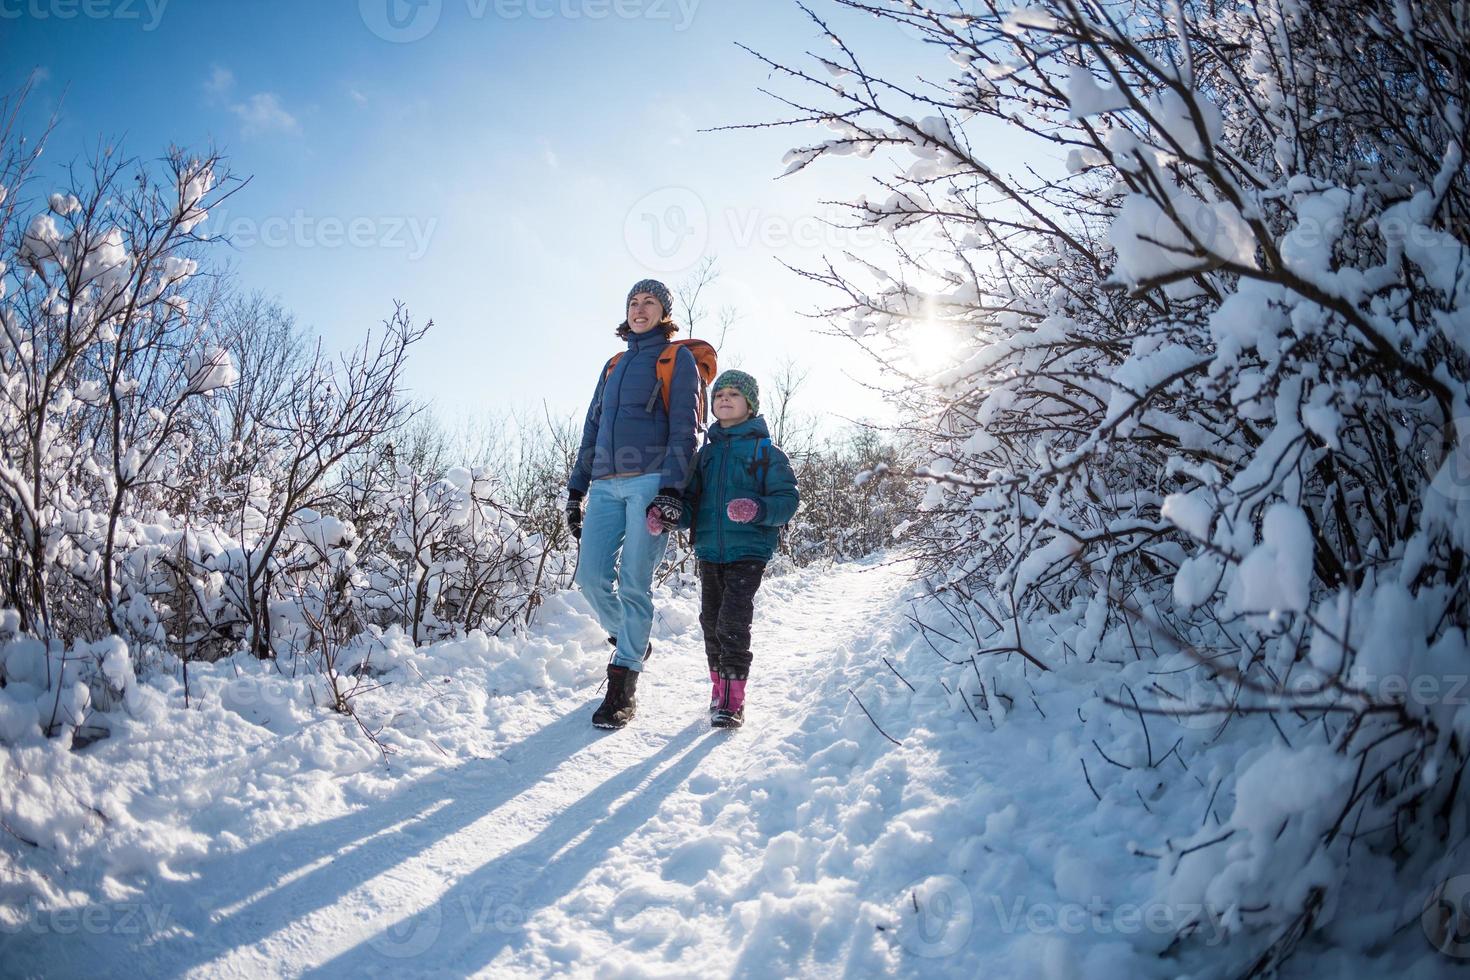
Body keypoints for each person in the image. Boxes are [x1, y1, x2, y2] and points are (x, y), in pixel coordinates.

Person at [566, 279, 699, 730]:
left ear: (664, 312)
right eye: (634, 302)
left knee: (634, 583)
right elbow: (593, 426)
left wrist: (672, 489)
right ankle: (631, 638)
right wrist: (576, 488)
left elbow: (686, 426)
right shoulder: (613, 364)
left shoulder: (676, 358)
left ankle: (622, 688)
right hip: (604, 483)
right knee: (590, 576)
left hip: (650, 482)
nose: (640, 308)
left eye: (650, 302)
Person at [647, 369, 799, 728]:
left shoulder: (766, 452)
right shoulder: (706, 455)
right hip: (709, 550)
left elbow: (787, 500)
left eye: (734, 393)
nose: (725, 399)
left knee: (733, 619)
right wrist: (669, 517)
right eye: (719, 395)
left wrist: (758, 509)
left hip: (749, 549)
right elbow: (692, 503)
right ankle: (718, 687)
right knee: (711, 620)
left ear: (751, 404)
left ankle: (734, 699)